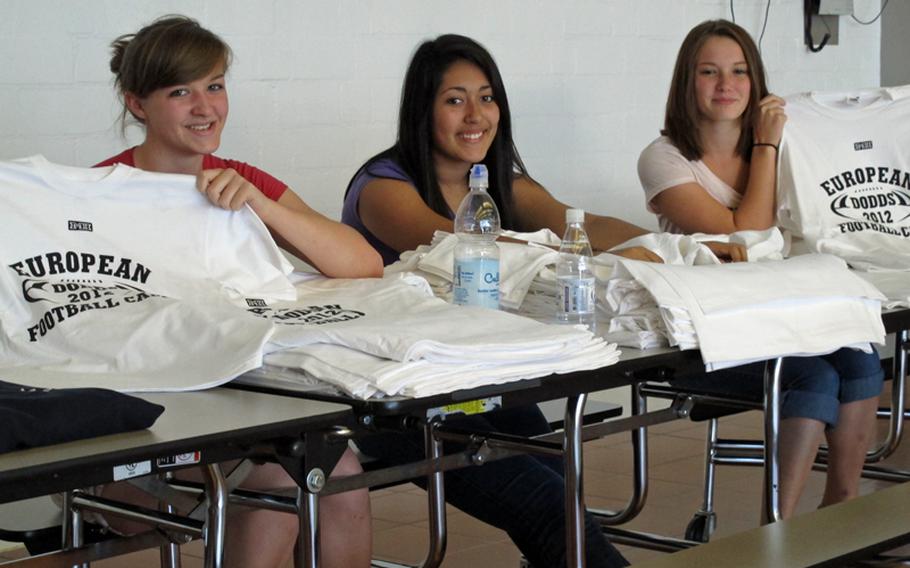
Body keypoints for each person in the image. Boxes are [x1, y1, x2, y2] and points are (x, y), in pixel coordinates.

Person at [341, 33, 655, 568]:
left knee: (558, 478)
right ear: (423, 109)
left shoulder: (498, 182)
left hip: (480, 371)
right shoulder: (382, 187)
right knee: (545, 500)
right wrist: (584, 253)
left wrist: (664, 247)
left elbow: (580, 224)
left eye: (486, 97)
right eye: (454, 99)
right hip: (400, 393)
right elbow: (457, 246)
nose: (476, 115)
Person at [96, 16, 380, 568]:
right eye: (181, 92)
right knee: (277, 485)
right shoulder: (100, 193)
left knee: (342, 476)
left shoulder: (236, 180)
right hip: (149, 415)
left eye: (216, 86)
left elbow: (362, 264)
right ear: (137, 104)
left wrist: (261, 207)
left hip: (242, 396)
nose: (206, 107)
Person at [638, 19, 884, 519]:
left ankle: (843, 510)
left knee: (861, 359)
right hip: (711, 333)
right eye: (709, 72)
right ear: (687, 82)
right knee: (812, 378)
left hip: (781, 313)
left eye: (739, 71)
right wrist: (768, 146)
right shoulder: (663, 159)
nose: (726, 85)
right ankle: (780, 528)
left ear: (756, 82)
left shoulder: (790, 145)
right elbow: (742, 238)